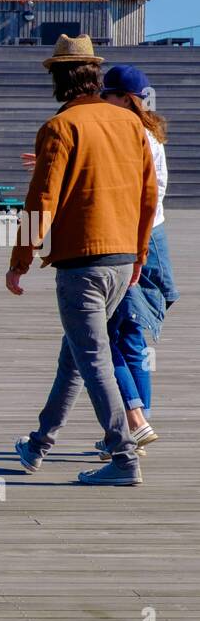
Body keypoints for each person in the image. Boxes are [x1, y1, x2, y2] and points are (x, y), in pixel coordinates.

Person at [8, 35, 157, 486]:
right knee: (76, 356)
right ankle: (39, 443)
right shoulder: (131, 124)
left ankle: (123, 457)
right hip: (121, 259)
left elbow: (42, 199)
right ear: (94, 75)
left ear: (59, 78)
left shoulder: (61, 127)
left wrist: (20, 259)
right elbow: (149, 196)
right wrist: (140, 254)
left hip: (83, 264)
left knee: (92, 360)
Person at [95, 65, 178, 460]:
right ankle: (137, 425)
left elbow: (131, 192)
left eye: (106, 96)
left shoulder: (131, 136)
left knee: (105, 336)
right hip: (152, 236)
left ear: (123, 99)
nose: (101, 103)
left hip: (131, 240)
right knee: (131, 337)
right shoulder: (152, 135)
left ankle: (135, 422)